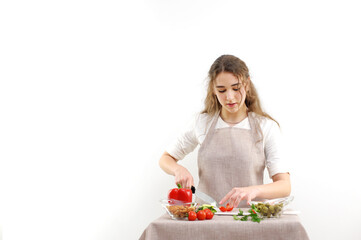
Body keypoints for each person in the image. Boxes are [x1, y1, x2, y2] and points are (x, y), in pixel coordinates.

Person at [159, 54, 290, 208]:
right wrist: (178, 169)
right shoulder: (202, 123)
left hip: (248, 220)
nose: (230, 97)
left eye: (236, 88)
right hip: (206, 218)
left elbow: (284, 186)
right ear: (213, 90)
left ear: (247, 84)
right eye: (221, 90)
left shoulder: (266, 127)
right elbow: (165, 158)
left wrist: (254, 190)